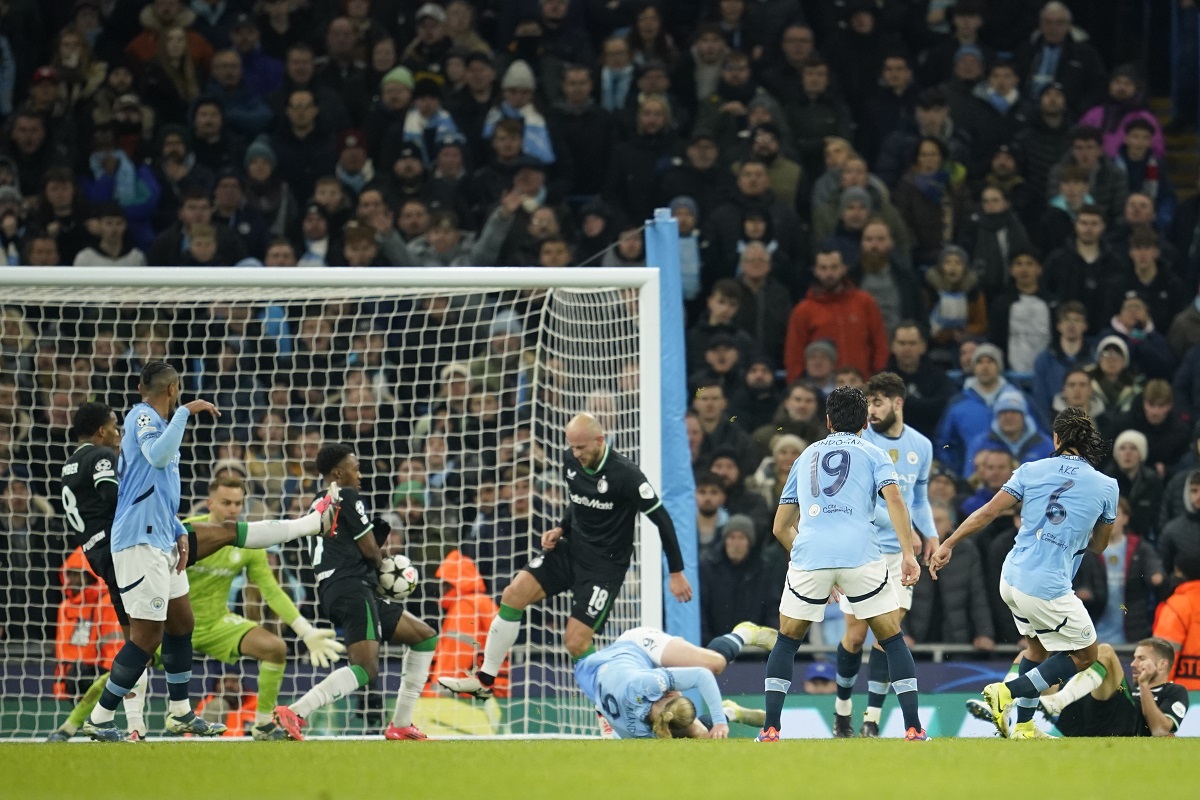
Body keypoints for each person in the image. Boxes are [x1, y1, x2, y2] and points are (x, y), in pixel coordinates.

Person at [51, 474, 344, 741]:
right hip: (173, 625)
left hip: (217, 625)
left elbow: (272, 591)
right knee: (126, 667)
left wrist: (305, 631)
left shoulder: (246, 543)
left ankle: (264, 724)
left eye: (238, 503)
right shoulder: (187, 534)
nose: (232, 509)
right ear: (210, 502)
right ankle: (69, 727)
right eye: (226, 502)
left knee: (275, 648)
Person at [439, 413, 692, 699]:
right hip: (570, 550)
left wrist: (676, 571)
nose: (575, 453)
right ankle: (485, 680)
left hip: (604, 567)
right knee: (513, 593)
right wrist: (560, 527)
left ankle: (606, 709)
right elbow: (578, 502)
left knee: (575, 641)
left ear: (600, 440)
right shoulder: (570, 461)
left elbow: (662, 519)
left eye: (581, 447)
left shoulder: (626, 474)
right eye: (571, 447)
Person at [930, 407, 1119, 739]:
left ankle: (1025, 727)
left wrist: (950, 542)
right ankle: (1007, 692)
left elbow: (987, 511)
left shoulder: (1030, 470)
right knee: (1087, 654)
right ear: (1089, 441)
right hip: (1047, 586)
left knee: (1036, 651)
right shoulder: (1106, 487)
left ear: (1056, 438)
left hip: (1012, 577)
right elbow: (1100, 546)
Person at [758, 386, 928, 742]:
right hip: (860, 555)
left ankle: (771, 729)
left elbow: (780, 526)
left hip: (811, 555)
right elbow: (894, 499)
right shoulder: (874, 451)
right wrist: (908, 553)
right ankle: (913, 728)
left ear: (828, 421)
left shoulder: (804, 457)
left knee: (787, 640)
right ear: (865, 422)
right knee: (892, 639)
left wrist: (812, 560)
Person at [80, 363, 226, 741]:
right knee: (147, 637)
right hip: (137, 542)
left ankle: (179, 713)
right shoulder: (142, 416)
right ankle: (98, 717)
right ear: (174, 388)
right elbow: (159, 457)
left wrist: (177, 527)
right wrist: (184, 413)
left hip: (160, 536)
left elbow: (148, 485)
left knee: (182, 623)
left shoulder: (160, 425)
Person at [272, 443, 439, 741]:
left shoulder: (317, 503)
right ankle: (297, 711)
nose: (360, 474)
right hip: (351, 588)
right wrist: (383, 567)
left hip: (338, 588)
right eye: (355, 468)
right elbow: (369, 548)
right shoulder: (346, 496)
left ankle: (401, 723)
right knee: (366, 668)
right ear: (338, 472)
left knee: (424, 636)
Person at [832, 373, 937, 737]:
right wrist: (901, 525)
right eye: (868, 403)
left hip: (898, 555)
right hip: (861, 550)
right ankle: (842, 711)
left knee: (887, 634)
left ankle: (871, 721)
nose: (871, 410)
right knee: (855, 636)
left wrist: (931, 534)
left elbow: (918, 499)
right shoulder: (859, 445)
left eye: (878, 403)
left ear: (897, 403)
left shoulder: (921, 446)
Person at [575, 623, 773, 739]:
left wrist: (719, 722)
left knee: (714, 664)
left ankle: (745, 632)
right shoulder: (642, 732)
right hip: (612, 679)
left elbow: (703, 675)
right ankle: (731, 711)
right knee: (700, 735)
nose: (675, 690)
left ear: (667, 694)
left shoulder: (648, 684)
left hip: (635, 646)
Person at [1035, 638, 1187, 737]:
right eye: (1134, 658)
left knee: (1105, 651)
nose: (1133, 664)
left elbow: (1161, 730)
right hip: (1091, 722)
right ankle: (1015, 718)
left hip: (1123, 726)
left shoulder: (1174, 691)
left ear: (1162, 664)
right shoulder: (1128, 690)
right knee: (1037, 662)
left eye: (1141, 659)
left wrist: (1144, 685)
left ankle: (1059, 701)